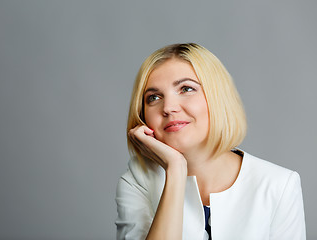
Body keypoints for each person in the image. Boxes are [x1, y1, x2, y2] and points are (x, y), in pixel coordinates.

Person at [115, 43, 306, 240]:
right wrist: (175, 169)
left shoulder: (279, 185)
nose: (169, 107)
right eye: (153, 97)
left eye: (186, 88)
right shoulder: (139, 180)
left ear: (217, 97)